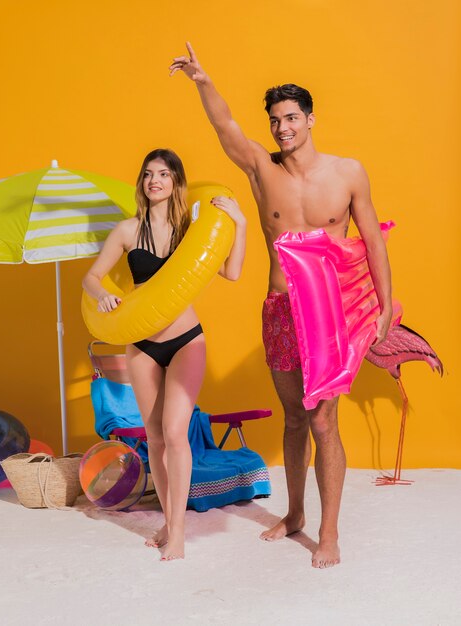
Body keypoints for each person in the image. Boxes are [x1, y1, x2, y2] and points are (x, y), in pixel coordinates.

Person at [170, 43, 393, 569]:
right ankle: (294, 513)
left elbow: (374, 242)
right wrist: (204, 80)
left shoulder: (347, 173)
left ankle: (329, 531)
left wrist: (383, 306)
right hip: (279, 308)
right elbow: (225, 128)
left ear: (310, 119)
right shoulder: (260, 168)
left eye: (291, 117)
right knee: (294, 420)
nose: (282, 127)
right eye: (275, 120)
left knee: (323, 424)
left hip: (331, 316)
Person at [83, 148, 246, 561]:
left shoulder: (189, 228)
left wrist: (239, 223)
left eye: (163, 174)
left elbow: (231, 272)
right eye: (148, 174)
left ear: (176, 182)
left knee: (175, 432)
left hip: (185, 339)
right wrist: (103, 296)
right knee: (154, 435)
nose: (154, 180)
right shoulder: (127, 230)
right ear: (142, 182)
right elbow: (92, 277)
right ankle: (168, 520)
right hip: (141, 343)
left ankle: (178, 534)